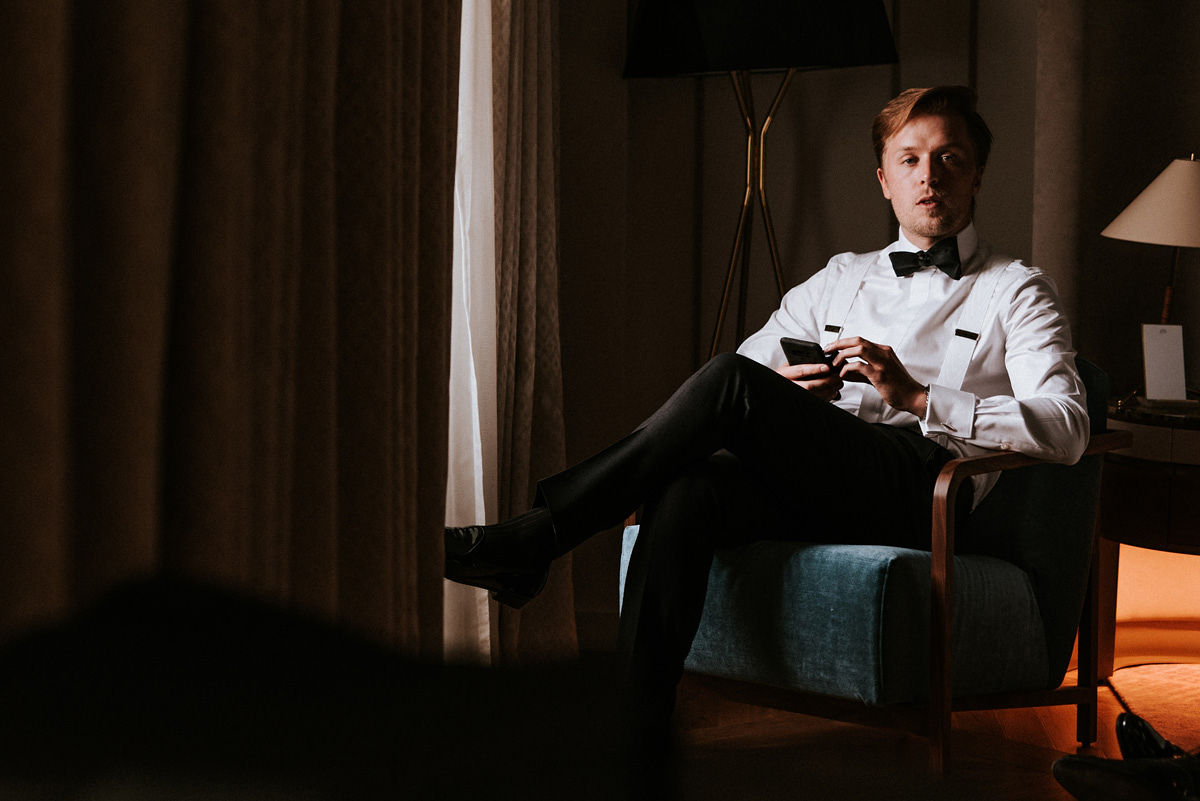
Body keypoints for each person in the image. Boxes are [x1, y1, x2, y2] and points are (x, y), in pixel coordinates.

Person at [444, 86, 1089, 739]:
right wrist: (786, 389)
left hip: (919, 490)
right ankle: (633, 731)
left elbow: (1067, 425)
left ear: (977, 173)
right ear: (884, 180)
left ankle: (539, 535)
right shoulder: (843, 275)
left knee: (728, 383)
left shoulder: (1016, 288)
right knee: (688, 487)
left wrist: (919, 397)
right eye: (910, 159)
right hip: (822, 478)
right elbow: (750, 372)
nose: (929, 176)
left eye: (950, 158)